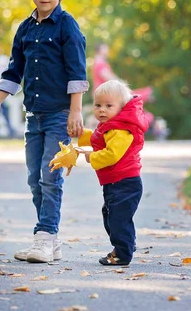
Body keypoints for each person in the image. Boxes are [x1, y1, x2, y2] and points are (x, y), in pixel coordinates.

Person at [0, 0, 88, 263]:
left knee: (50, 175)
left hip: (60, 115)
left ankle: (43, 237)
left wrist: (75, 112)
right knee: (34, 178)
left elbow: (77, 72)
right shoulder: (25, 30)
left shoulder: (68, 27)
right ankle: (50, 239)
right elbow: (14, 71)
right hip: (34, 117)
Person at [78, 80, 149, 266]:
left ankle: (122, 254)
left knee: (118, 218)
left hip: (125, 182)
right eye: (98, 105)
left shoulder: (121, 129)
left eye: (109, 106)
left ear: (122, 107)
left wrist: (91, 156)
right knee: (111, 216)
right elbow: (98, 138)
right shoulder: (111, 125)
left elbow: (112, 154)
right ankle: (125, 245)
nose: (102, 110)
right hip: (116, 182)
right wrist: (80, 135)